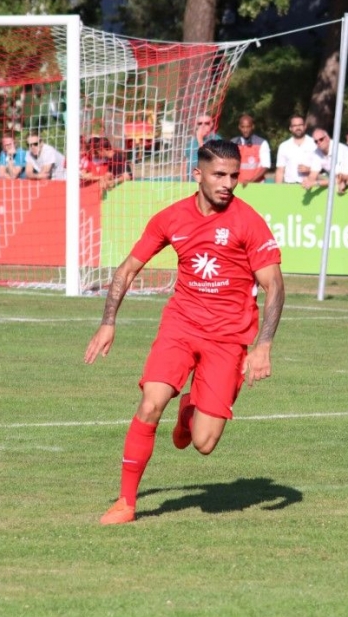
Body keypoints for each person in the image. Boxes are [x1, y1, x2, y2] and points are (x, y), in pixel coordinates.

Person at [85, 140, 285, 525]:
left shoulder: (248, 222)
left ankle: (189, 407)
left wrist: (264, 346)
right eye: (219, 175)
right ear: (198, 175)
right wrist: (108, 322)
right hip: (181, 325)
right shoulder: (171, 218)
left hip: (228, 338)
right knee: (149, 403)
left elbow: (275, 286)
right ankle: (126, 503)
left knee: (204, 444)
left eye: (233, 176)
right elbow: (127, 270)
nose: (228, 183)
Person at [274, 115, 317, 185]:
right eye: (294, 126)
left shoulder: (314, 144)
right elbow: (280, 171)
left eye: (300, 125)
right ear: (290, 128)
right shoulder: (284, 146)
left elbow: (323, 167)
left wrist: (310, 170)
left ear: (305, 126)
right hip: (289, 186)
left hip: (310, 185)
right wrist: (277, 190)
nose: (298, 128)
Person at [232, 114, 271, 183]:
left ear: (252, 127)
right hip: (238, 185)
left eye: (248, 127)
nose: (245, 130)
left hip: (257, 185)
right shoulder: (233, 143)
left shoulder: (262, 143)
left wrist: (251, 182)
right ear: (239, 127)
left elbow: (266, 166)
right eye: (243, 127)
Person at [187, 114, 221, 180]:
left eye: (207, 123)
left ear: (211, 125)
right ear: (196, 125)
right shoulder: (191, 141)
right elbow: (185, 162)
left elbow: (208, 157)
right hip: (191, 182)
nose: (203, 126)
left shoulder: (217, 140)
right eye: (200, 123)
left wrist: (200, 139)